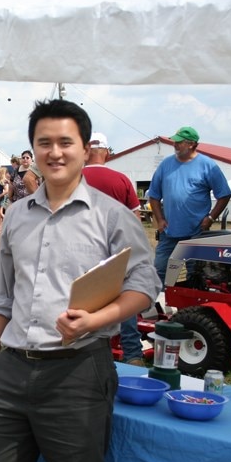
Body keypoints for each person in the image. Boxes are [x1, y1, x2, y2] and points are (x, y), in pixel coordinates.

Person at [0, 99, 161, 462]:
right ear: (32, 150)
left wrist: (97, 319)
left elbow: (144, 286)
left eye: (65, 142)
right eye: (44, 143)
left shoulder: (113, 216)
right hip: (12, 371)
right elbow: (0, 295)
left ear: (85, 148)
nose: (55, 152)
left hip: (78, 373)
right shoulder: (15, 214)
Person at [83, 132, 145, 366]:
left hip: (81, 249)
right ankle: (133, 354)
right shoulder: (122, 180)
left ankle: (85, 350)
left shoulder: (71, 178)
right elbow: (135, 221)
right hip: (116, 250)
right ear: (107, 152)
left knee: (83, 300)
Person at [147, 126, 231, 284]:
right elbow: (154, 196)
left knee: (195, 273)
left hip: (196, 231)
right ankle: (157, 303)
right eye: (175, 142)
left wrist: (211, 218)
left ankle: (190, 306)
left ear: (192, 144)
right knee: (159, 269)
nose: (175, 144)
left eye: (179, 142)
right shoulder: (166, 165)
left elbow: (224, 194)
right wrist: (159, 219)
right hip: (169, 231)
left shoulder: (207, 165)